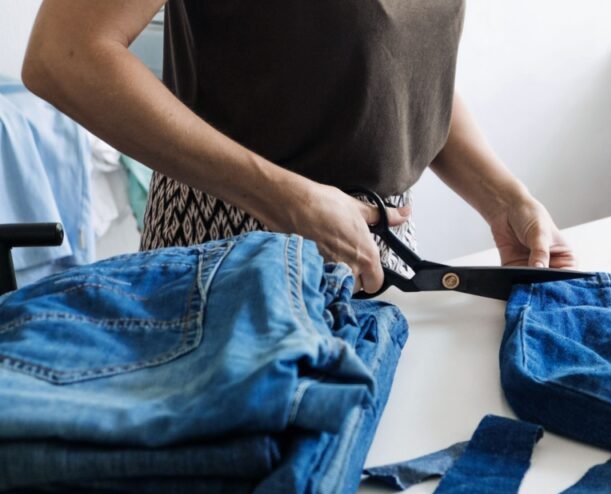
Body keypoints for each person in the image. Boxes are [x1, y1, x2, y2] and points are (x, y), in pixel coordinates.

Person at [22, 0, 576, 293]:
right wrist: (286, 199)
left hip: (384, 254)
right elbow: (63, 54)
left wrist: (503, 199)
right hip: (229, 252)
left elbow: (389, 67)